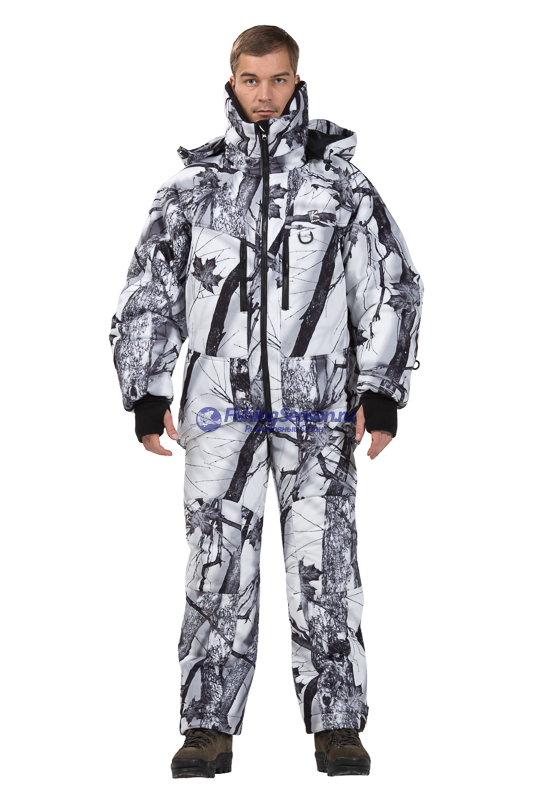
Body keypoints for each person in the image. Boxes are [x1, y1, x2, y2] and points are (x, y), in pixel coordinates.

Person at [109, 24, 424, 779]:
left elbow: (389, 283)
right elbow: (149, 289)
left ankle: (337, 724)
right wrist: (147, 391)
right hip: (220, 398)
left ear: (296, 81)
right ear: (232, 81)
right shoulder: (191, 190)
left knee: (326, 558)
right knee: (216, 558)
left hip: (319, 400)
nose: (264, 94)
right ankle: (206, 726)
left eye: (278, 79)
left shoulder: (339, 186)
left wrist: (380, 392)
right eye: (251, 80)